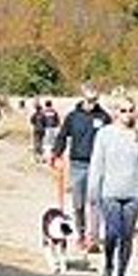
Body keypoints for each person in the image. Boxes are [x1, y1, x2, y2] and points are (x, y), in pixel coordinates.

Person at [88, 101, 138, 276]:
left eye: (131, 110)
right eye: (123, 110)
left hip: (135, 193)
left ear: (135, 112)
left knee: (127, 235)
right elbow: (97, 164)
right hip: (109, 192)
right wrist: (93, 191)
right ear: (116, 113)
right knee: (112, 233)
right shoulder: (105, 134)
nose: (127, 113)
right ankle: (108, 266)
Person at [56, 94, 104, 231]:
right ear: (83, 98)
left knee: (95, 201)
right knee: (78, 203)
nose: (91, 103)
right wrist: (56, 153)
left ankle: (93, 236)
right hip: (77, 164)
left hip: (97, 165)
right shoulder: (73, 116)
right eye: (89, 100)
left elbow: (111, 139)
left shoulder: (103, 117)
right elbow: (62, 135)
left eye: (94, 100)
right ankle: (81, 231)